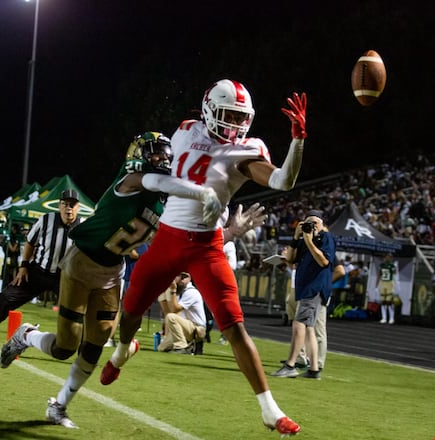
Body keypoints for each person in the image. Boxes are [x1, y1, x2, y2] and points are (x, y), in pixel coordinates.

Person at [103, 81, 307, 436]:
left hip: (207, 246)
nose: (233, 125)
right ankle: (122, 351)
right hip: (167, 237)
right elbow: (163, 169)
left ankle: (269, 409)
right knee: (132, 308)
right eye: (228, 115)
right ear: (209, 108)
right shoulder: (184, 130)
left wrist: (298, 142)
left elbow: (282, 181)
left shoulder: (246, 149)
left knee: (234, 325)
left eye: (240, 118)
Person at [0, 132, 225, 429]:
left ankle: (60, 405)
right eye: (155, 153)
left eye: (166, 154)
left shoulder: (166, 202)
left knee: (95, 344)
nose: (163, 159)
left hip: (112, 271)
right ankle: (25, 335)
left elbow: (190, 233)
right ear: (138, 155)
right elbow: (157, 182)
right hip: (81, 262)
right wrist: (201, 191)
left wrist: (227, 228)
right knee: (66, 346)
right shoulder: (131, 180)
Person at [0, 189, 82, 353]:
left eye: (72, 205)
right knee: (5, 298)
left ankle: (85, 351)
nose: (68, 209)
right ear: (59, 206)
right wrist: (24, 266)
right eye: (65, 204)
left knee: (79, 314)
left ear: (78, 207)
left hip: (65, 277)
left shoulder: (84, 227)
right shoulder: (46, 220)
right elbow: (30, 242)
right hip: (38, 271)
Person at [272, 210, 335, 380]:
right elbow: (291, 260)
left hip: (313, 289)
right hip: (304, 288)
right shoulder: (302, 240)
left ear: (322, 225)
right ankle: (314, 370)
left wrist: (308, 240)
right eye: (309, 223)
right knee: (309, 330)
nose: (312, 226)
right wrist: (295, 237)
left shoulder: (325, 238)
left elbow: (323, 261)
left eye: (315, 223)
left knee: (298, 325)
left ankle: (290, 365)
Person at [157, 272, 206, 353]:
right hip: (185, 327)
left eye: (177, 276)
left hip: (196, 328)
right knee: (161, 348)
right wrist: (162, 297)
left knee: (171, 317)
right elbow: (168, 312)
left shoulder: (191, 292)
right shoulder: (180, 291)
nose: (175, 279)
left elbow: (174, 310)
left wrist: (172, 290)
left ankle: (182, 346)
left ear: (187, 278)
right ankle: (190, 346)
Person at [376, 253, 398, 324]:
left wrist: (394, 267)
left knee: (389, 302)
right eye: (387, 257)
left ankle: (391, 318)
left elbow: (394, 273)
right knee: (383, 302)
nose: (388, 258)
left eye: (390, 257)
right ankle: (384, 318)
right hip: (383, 283)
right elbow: (379, 275)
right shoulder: (381, 265)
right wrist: (376, 286)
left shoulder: (392, 265)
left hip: (389, 283)